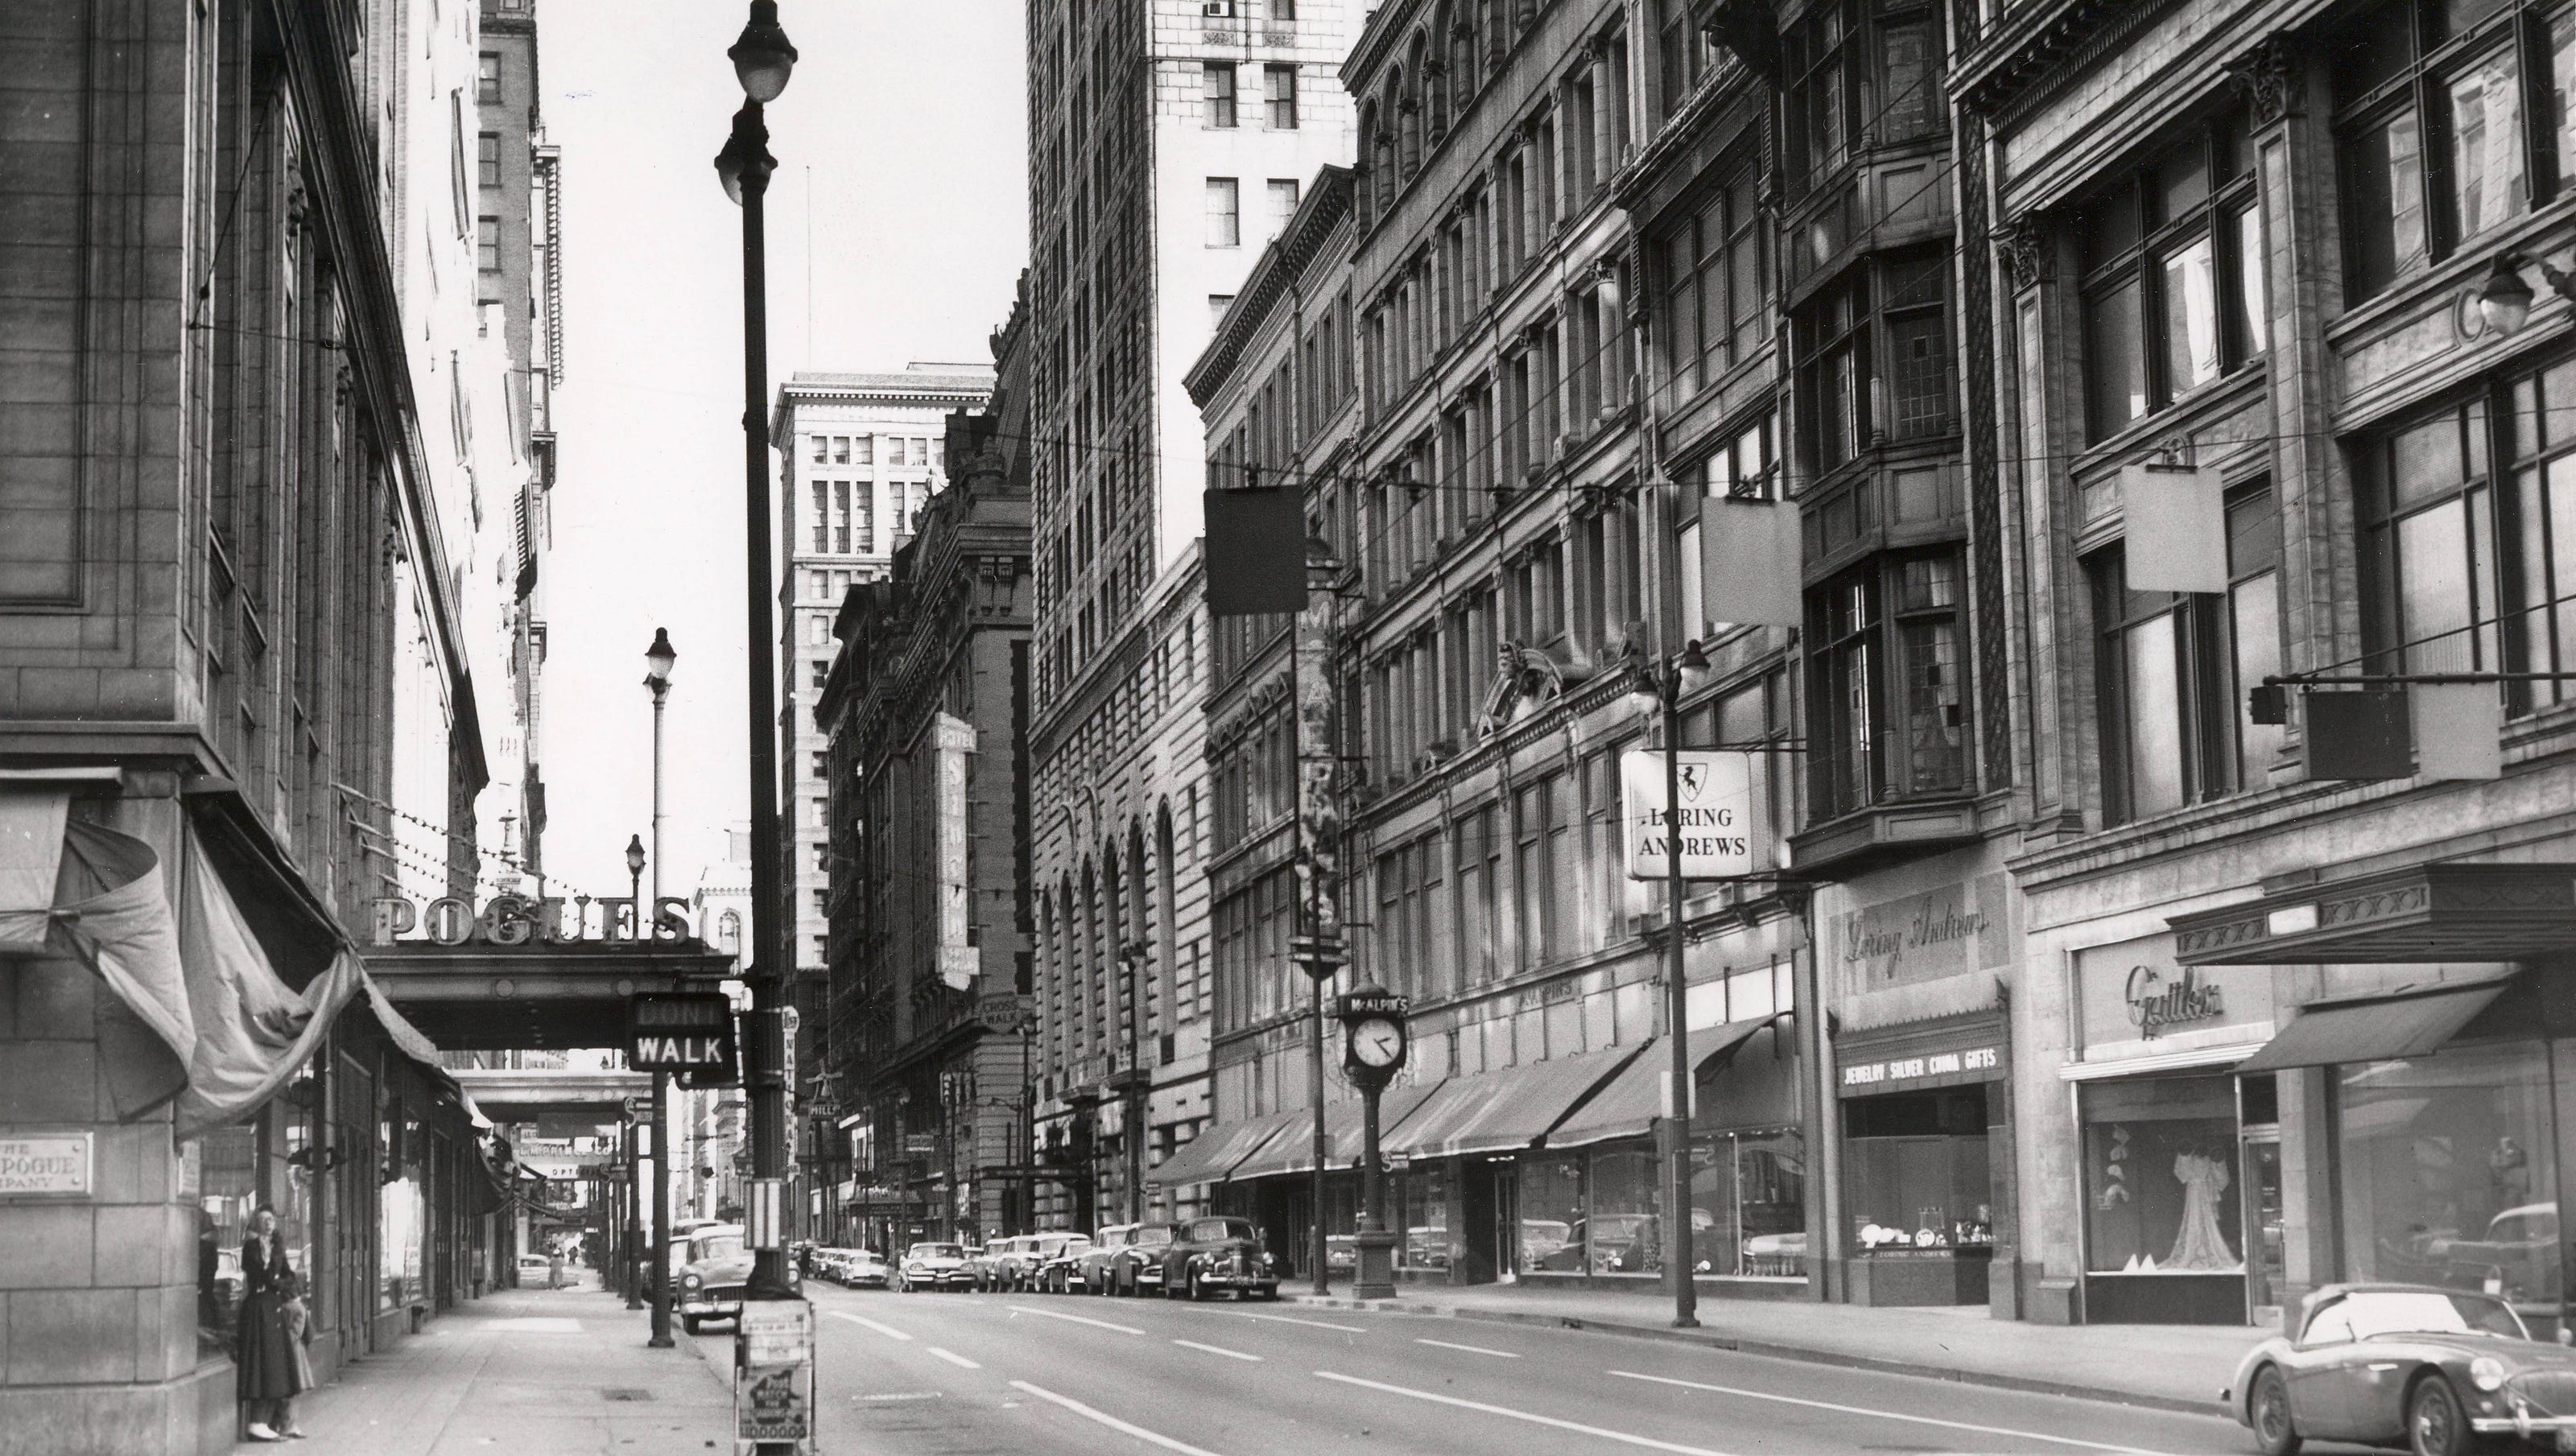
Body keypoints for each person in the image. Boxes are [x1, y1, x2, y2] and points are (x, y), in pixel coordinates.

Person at [236, 1208, 307, 1441]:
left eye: (272, 1220)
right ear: (257, 1223)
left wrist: (280, 1280)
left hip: (272, 1308)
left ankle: (272, 1422)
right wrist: (275, 1276)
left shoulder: (276, 1247)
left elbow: (287, 1275)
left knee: (275, 1365)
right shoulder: (252, 1247)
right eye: (264, 1220)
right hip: (258, 1310)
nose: (269, 1224)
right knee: (263, 1363)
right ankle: (257, 1422)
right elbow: (263, 1276)